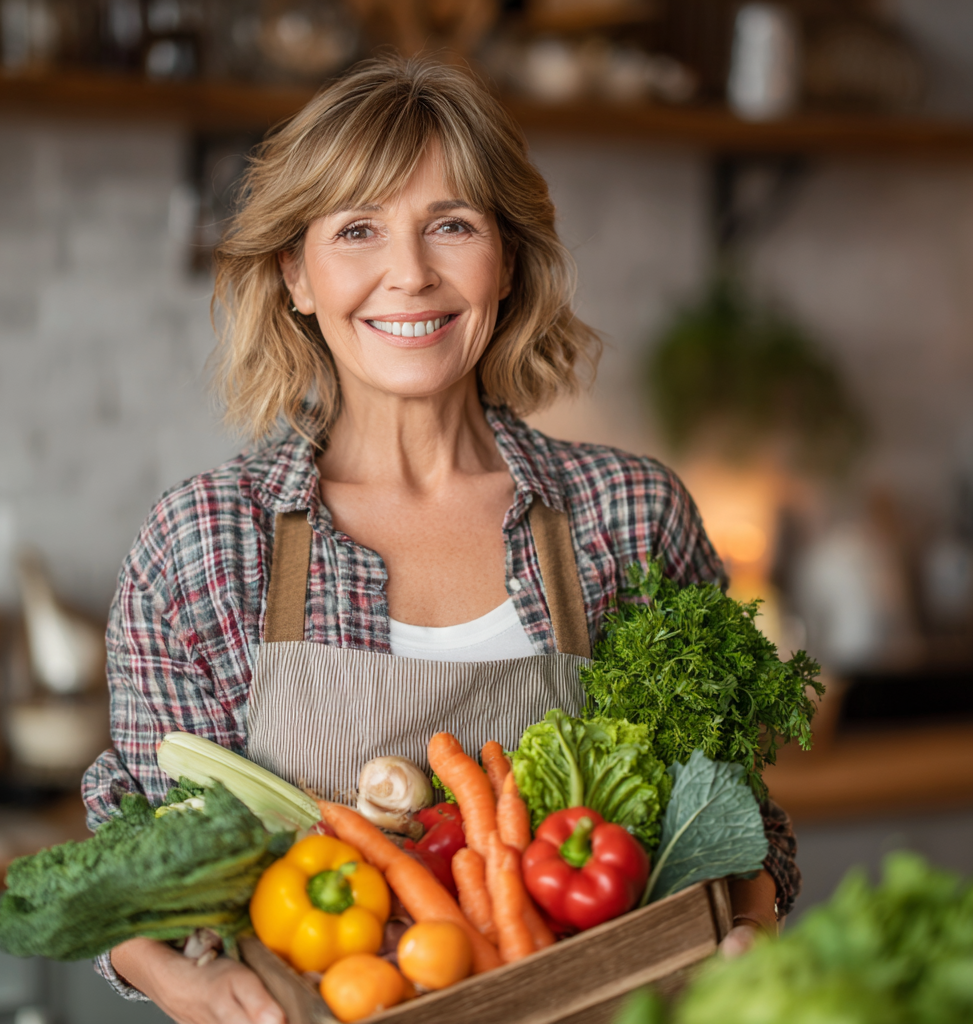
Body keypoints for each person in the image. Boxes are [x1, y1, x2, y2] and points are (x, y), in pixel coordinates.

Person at [82, 56, 799, 1024]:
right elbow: (132, 840)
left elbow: (739, 822)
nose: (409, 273)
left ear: (505, 258)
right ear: (295, 272)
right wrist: (184, 979)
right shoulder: (209, 540)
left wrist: (744, 939)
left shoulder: (627, 514)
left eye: (451, 225)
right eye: (358, 230)